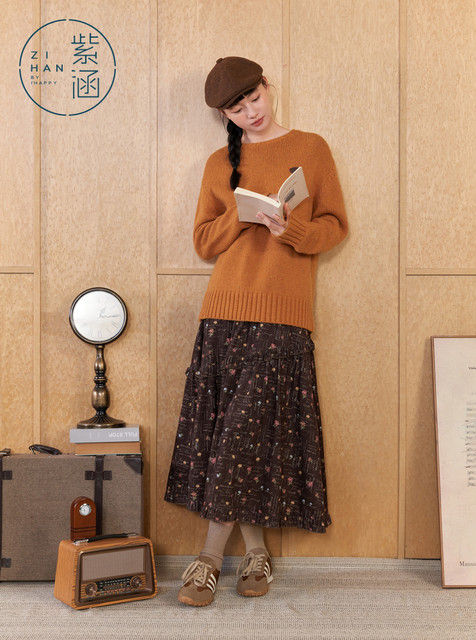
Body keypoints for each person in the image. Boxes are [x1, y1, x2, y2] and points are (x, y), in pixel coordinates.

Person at [164, 56, 348, 607]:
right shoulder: (219, 162)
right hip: (224, 310)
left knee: (247, 431)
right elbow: (203, 242)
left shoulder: (311, 148)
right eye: (237, 109)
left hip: (285, 313)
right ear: (224, 115)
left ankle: (207, 558)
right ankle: (257, 552)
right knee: (233, 434)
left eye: (255, 99)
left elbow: (335, 225)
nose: (251, 113)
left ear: (268, 87)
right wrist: (241, 215)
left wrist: (290, 229)